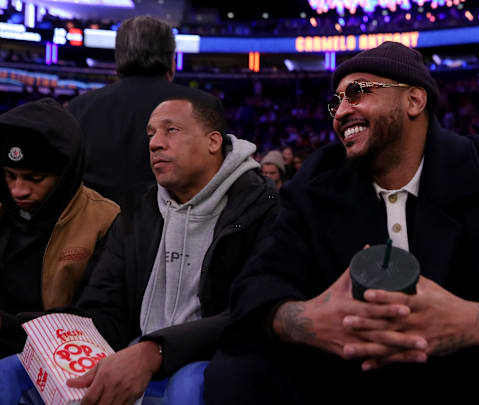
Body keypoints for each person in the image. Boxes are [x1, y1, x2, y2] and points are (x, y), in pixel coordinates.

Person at [205, 41, 479, 405]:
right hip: (348, 379)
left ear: (414, 101)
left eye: (358, 93)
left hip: (475, 378)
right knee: (235, 371)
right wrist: (304, 320)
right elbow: (255, 288)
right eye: (336, 102)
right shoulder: (315, 183)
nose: (341, 111)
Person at [0, 92, 279, 405]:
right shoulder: (138, 212)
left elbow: (253, 315)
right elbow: (104, 312)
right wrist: (57, 344)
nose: (155, 143)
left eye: (170, 130)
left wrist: (157, 351)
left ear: (214, 141)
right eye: (151, 134)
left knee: (187, 386)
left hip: (213, 358)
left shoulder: (263, 210)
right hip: (135, 353)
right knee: (11, 370)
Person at [0, 99, 120, 358]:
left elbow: (99, 320)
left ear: (65, 174)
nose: (18, 190)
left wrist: (8, 326)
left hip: (53, 354)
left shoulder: (103, 220)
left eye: (35, 178)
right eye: (9, 175)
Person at [67, 16, 196, 207]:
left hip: (99, 228)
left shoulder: (78, 108)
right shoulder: (201, 106)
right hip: (175, 228)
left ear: (119, 58)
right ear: (171, 60)